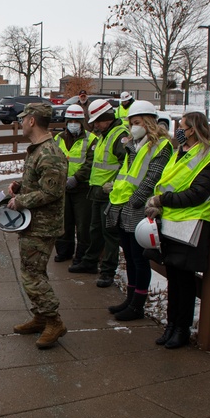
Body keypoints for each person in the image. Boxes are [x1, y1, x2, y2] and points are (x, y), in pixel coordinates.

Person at [145, 111, 210, 349]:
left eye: (181, 126)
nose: (178, 130)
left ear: (192, 129)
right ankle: (172, 325)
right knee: (174, 278)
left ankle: (182, 329)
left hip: (192, 223)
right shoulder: (180, 153)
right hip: (172, 221)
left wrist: (162, 201)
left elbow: (198, 193)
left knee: (185, 280)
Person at [105, 101, 173, 321]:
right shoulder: (134, 144)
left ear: (149, 122)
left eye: (137, 122)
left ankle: (137, 305)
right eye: (131, 123)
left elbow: (153, 176)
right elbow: (127, 172)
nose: (133, 127)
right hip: (124, 205)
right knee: (131, 258)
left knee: (139, 258)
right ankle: (131, 298)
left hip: (139, 207)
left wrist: (135, 200)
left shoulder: (160, 145)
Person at [9, 103, 69, 349]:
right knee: (33, 271)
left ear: (32, 121)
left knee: (31, 275)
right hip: (34, 223)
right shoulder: (38, 150)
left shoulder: (49, 152)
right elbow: (39, 182)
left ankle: (54, 321)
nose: (20, 123)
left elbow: (51, 191)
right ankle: (41, 317)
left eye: (23, 119)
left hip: (43, 225)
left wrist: (20, 200)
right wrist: (20, 186)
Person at [69, 99, 129, 288]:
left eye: (97, 121)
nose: (94, 125)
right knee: (94, 230)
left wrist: (115, 183)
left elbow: (126, 163)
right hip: (96, 191)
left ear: (107, 118)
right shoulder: (105, 134)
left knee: (108, 233)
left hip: (109, 193)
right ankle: (90, 261)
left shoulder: (119, 135)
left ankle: (107, 271)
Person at [53, 104, 93, 263]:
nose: (73, 124)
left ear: (82, 122)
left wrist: (76, 178)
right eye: (71, 120)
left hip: (82, 188)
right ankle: (64, 251)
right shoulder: (58, 138)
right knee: (64, 221)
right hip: (63, 188)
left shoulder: (91, 139)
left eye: (77, 121)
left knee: (83, 224)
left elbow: (91, 163)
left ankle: (82, 255)